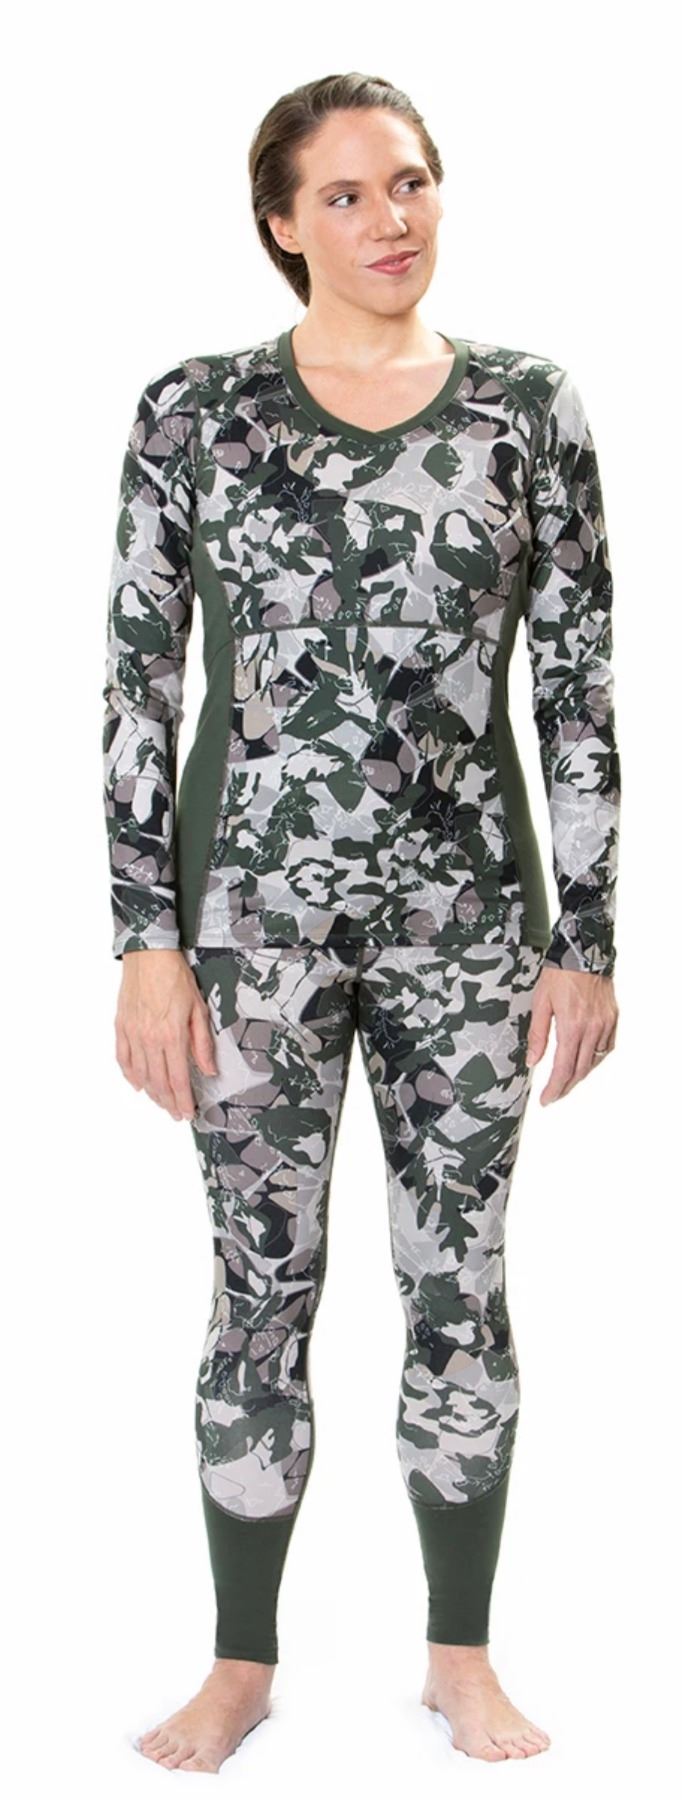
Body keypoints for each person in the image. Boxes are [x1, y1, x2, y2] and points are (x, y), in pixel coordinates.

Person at [102, 71, 620, 1772]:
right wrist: (146, 941)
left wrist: (586, 939)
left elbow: (576, 695)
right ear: (280, 222)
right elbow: (138, 688)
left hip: (468, 932)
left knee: (458, 1284)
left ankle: (457, 1657)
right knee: (258, 1290)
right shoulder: (197, 413)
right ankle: (239, 1664)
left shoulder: (525, 411)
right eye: (343, 194)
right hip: (245, 929)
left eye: (409, 181)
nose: (388, 218)